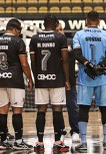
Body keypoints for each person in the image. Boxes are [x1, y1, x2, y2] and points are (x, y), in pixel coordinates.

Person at [72, 11, 106, 151]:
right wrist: (99, 66)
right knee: (105, 108)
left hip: (85, 77)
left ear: (86, 20)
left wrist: (89, 65)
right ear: (99, 21)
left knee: (83, 108)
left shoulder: (79, 34)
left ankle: (83, 142)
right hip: (102, 77)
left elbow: (77, 54)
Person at [0, 18, 34, 150]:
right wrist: (30, 78)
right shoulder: (18, 41)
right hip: (14, 80)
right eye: (19, 31)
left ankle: (3, 141)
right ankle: (19, 141)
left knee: (2, 110)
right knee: (17, 110)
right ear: (15, 29)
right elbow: (24, 63)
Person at [30, 14, 70, 152]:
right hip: (57, 80)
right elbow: (65, 60)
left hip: (41, 79)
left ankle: (40, 142)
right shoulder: (60, 37)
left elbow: (33, 62)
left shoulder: (34, 39)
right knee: (57, 111)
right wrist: (67, 79)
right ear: (56, 24)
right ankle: (58, 142)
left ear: (43, 24)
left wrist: (36, 78)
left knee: (41, 111)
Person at [56, 23, 80, 143]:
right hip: (56, 83)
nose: (60, 31)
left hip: (70, 82)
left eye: (61, 29)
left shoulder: (70, 45)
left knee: (73, 107)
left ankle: (75, 131)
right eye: (57, 30)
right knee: (58, 109)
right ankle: (61, 132)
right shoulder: (51, 46)